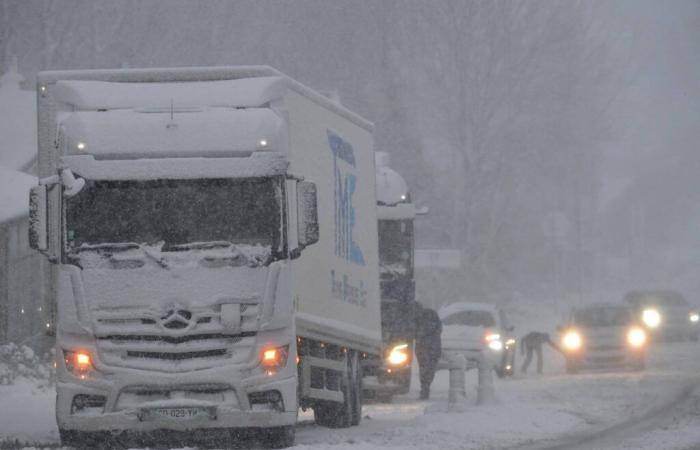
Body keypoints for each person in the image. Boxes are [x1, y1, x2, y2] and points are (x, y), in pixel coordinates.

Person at [414, 305, 442, 400]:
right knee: (430, 368)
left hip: (424, 346)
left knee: (424, 367)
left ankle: (425, 389)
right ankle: (426, 387)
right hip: (434, 347)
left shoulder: (419, 318)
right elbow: (439, 329)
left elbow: (414, 332)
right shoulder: (433, 316)